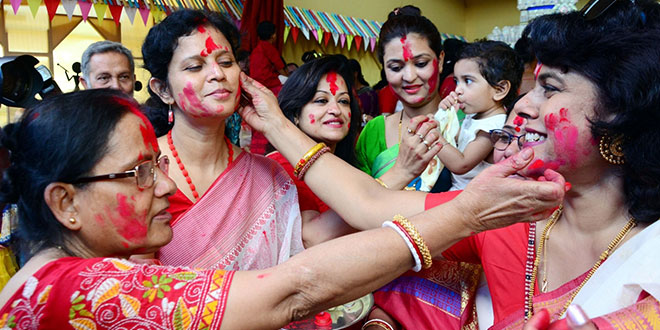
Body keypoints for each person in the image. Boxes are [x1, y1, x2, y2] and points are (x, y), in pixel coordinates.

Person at [0, 88, 563, 329]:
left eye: (159, 164)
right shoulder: (76, 290)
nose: (167, 187)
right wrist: (465, 215)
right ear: (65, 203)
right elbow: (290, 290)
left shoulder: (58, 276)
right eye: (140, 173)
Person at [141, 10, 303, 271]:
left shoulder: (268, 177)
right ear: (163, 89)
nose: (218, 74)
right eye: (195, 66)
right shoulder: (138, 172)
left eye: (227, 62)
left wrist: (277, 125)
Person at [267, 56, 362, 246]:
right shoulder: (282, 165)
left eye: (343, 101)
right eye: (321, 100)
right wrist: (400, 172)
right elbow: (311, 238)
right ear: (295, 114)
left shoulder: (345, 164)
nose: (336, 110)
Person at [355, 10, 449, 192]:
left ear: (441, 60)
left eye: (421, 64)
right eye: (396, 67)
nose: (409, 76)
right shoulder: (374, 131)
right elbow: (359, 201)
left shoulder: (468, 125)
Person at [437, 40, 523, 191]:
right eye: (457, 81)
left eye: (468, 81)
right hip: (458, 191)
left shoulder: (493, 127)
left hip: (470, 197)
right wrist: (444, 116)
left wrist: (434, 137)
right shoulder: (476, 115)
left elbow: (461, 164)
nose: (457, 90)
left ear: (499, 90)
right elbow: (458, 139)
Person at [249, 21, 287, 96]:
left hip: (256, 82)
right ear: (273, 36)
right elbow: (279, 67)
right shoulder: (270, 48)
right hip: (267, 81)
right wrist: (288, 78)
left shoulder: (257, 49)